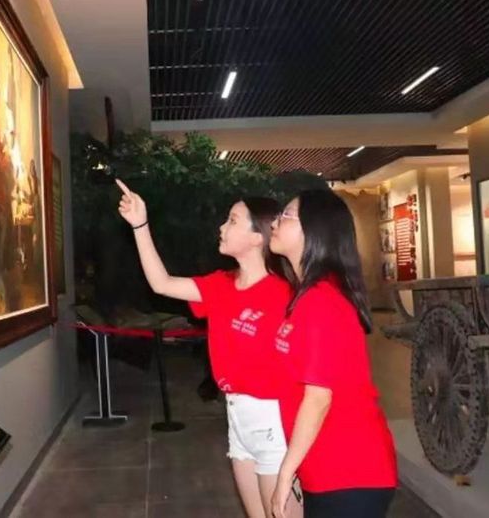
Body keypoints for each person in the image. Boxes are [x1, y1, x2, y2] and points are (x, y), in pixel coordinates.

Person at [116, 179, 301, 518]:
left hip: (273, 420)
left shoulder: (285, 294)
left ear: (258, 237)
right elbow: (162, 283)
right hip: (237, 416)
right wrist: (140, 225)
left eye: (232, 220)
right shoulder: (221, 284)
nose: (221, 227)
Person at [268, 189, 397, 518]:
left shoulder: (321, 300)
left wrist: (285, 473)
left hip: (349, 469)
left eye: (286, 215)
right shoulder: (307, 296)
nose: (274, 223)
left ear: (315, 230)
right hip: (326, 467)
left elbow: (318, 398)